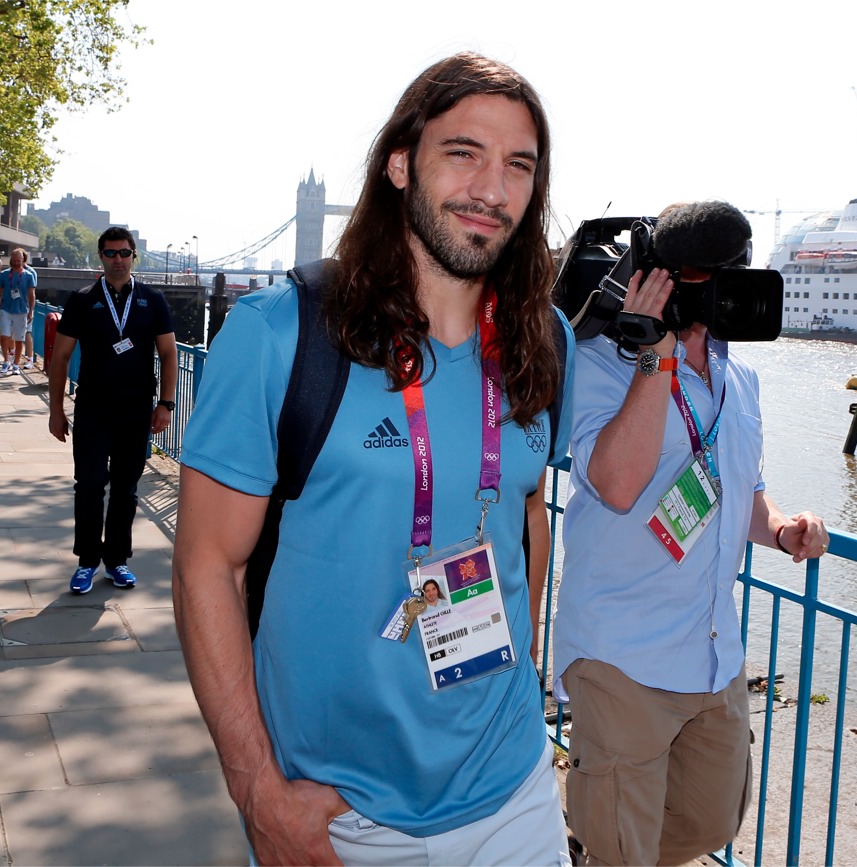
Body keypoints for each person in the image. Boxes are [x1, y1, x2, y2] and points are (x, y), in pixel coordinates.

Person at [172, 52, 573, 865]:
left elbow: (524, 515)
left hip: (515, 792)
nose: (492, 190)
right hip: (340, 815)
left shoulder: (545, 343)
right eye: (464, 153)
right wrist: (257, 791)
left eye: (518, 167)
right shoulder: (279, 335)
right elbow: (206, 565)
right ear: (399, 164)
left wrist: (524, 684)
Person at [553, 201, 831, 867]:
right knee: (623, 846)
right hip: (620, 653)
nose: (725, 289)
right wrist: (657, 356)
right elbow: (617, 484)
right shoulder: (597, 363)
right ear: (666, 278)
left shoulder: (743, 379)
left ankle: (595, 846)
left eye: (736, 272)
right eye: (710, 275)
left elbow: (743, 495)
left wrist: (784, 528)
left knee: (711, 819)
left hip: (712, 651)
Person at [47, 227, 178, 594]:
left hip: (136, 411)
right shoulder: (83, 299)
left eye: (123, 253)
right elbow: (61, 358)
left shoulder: (152, 300)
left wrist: (166, 404)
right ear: (100, 257)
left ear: (134, 256)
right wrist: (56, 411)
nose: (117, 259)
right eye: (109, 253)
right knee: (88, 485)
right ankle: (87, 561)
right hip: (92, 409)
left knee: (125, 488)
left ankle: (117, 560)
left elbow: (169, 354)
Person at [0, 248, 36, 375]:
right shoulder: (4, 274)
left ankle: (16, 364)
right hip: (6, 309)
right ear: (11, 260)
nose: (16, 263)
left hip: (22, 311)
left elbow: (32, 294)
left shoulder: (28, 275)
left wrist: (31, 311)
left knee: (19, 339)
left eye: (19, 260)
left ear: (23, 260)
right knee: (5, 336)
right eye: (14, 260)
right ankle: (6, 361)